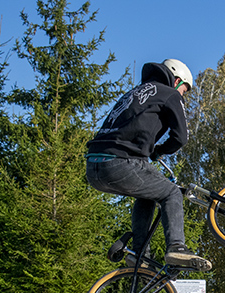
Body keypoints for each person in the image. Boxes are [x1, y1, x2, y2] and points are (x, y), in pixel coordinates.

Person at [85, 59, 211, 271]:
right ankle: (177, 247)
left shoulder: (134, 93)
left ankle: (139, 254)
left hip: (94, 167)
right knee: (171, 192)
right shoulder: (170, 93)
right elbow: (181, 138)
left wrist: (149, 149)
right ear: (177, 81)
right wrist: (161, 150)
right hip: (120, 163)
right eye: (185, 91)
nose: (183, 96)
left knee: (148, 193)